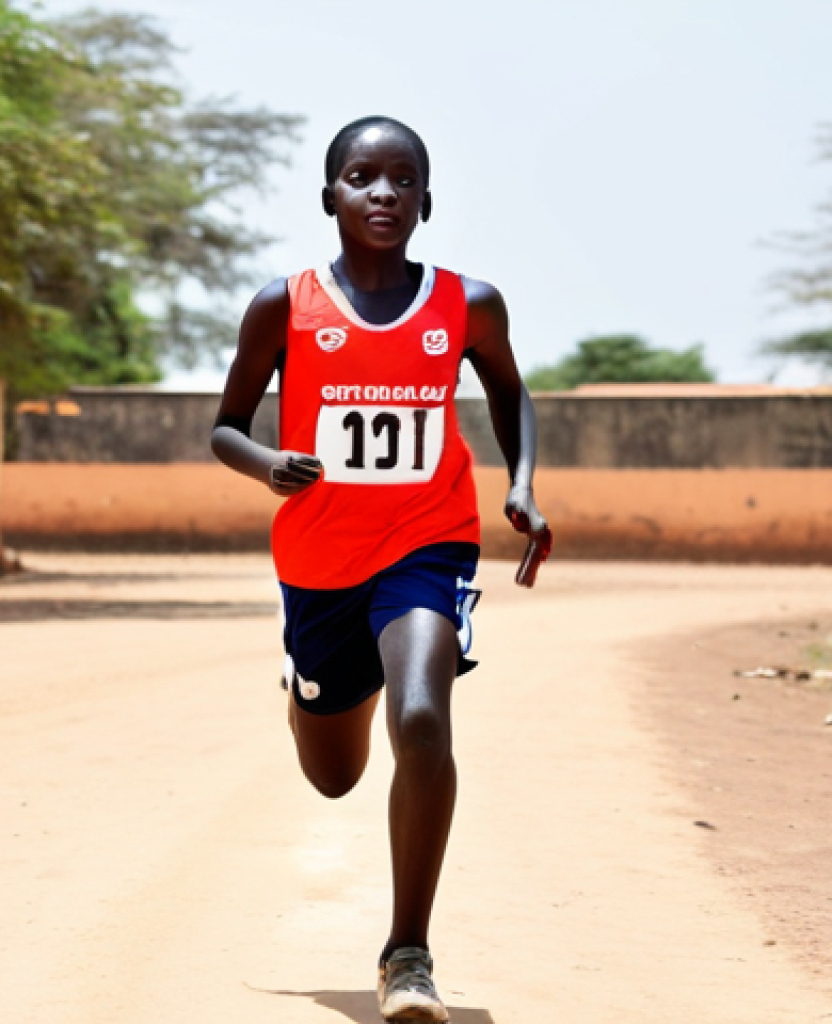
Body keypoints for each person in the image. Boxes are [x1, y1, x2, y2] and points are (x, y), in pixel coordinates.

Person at [211, 115, 549, 1021]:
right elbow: (224, 425)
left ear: (426, 202)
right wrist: (265, 464)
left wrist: (519, 487)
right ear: (330, 197)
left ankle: (408, 955)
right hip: (319, 560)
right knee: (333, 776)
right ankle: (313, 683)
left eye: (403, 180)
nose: (383, 193)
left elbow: (511, 394)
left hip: (425, 543)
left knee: (424, 715)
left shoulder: (468, 304)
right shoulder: (283, 305)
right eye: (362, 177)